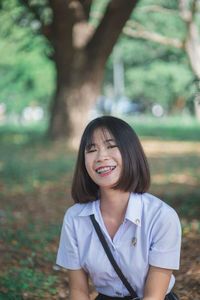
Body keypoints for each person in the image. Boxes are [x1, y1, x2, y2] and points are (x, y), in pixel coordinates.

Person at [56, 116, 181, 300]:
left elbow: (154, 297)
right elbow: (78, 292)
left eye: (111, 146)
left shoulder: (161, 217)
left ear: (131, 152)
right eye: (92, 150)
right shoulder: (74, 218)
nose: (101, 157)